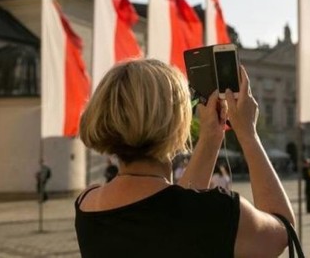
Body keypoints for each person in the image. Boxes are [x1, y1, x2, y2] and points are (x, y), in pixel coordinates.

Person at [75, 59, 293, 257]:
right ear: (176, 121)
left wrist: (210, 136)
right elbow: (283, 231)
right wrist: (248, 133)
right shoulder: (218, 210)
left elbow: (177, 209)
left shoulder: (87, 204)